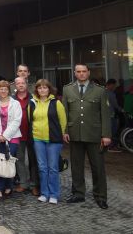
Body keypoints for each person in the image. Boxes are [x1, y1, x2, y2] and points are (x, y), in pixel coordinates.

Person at [63, 63, 111, 209]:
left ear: (89, 72)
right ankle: (78, 193)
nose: (81, 74)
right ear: (75, 73)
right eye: (79, 71)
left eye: (84, 71)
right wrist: (65, 131)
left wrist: (106, 134)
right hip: (75, 133)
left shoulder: (100, 90)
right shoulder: (67, 89)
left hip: (94, 134)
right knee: (76, 166)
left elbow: (105, 114)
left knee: (98, 167)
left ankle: (100, 196)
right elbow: (65, 112)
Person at [28, 79, 67, 204]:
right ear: (37, 90)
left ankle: (54, 194)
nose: (42, 90)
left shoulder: (56, 103)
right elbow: (30, 120)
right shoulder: (32, 103)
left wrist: (61, 135)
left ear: (49, 89)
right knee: (42, 167)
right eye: (40, 88)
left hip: (53, 140)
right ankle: (44, 193)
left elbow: (63, 121)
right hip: (37, 139)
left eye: (45, 87)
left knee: (53, 168)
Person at [0, 80, 22, 199]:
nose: (3, 91)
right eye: (1, 89)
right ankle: (9, 185)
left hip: (12, 136)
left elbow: (17, 120)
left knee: (8, 161)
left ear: (9, 91)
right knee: (0, 161)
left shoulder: (16, 104)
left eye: (5, 89)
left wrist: (5, 135)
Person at [13, 77, 40, 195]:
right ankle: (23, 183)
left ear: (26, 84)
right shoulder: (12, 99)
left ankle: (34, 184)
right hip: (17, 134)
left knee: (34, 160)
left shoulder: (34, 98)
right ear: (15, 85)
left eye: (23, 83)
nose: (20, 85)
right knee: (19, 160)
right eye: (18, 83)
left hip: (33, 134)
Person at [106, 79, 123, 151]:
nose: (115, 87)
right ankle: (111, 146)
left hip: (104, 114)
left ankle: (108, 146)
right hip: (111, 114)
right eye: (114, 85)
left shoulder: (102, 92)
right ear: (111, 85)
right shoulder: (111, 94)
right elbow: (115, 104)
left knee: (108, 131)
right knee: (113, 130)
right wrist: (121, 110)